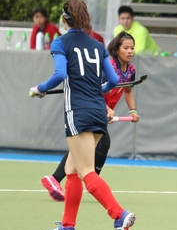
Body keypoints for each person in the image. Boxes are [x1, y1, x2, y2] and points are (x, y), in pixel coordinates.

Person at [29, 0, 136, 230]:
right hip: (99, 110)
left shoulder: (60, 42)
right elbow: (113, 81)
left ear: (64, 19)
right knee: (72, 170)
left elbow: (60, 74)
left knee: (86, 171)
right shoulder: (97, 45)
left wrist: (40, 88)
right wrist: (98, 89)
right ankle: (67, 227)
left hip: (77, 111)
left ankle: (119, 215)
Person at [40, 31, 141, 202]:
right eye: (126, 48)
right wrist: (106, 109)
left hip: (101, 111)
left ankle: (62, 179)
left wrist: (133, 110)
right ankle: (86, 179)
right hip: (93, 106)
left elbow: (128, 90)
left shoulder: (130, 70)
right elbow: (95, 91)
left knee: (87, 146)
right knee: (100, 144)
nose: (130, 51)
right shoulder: (109, 68)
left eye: (132, 48)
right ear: (117, 50)